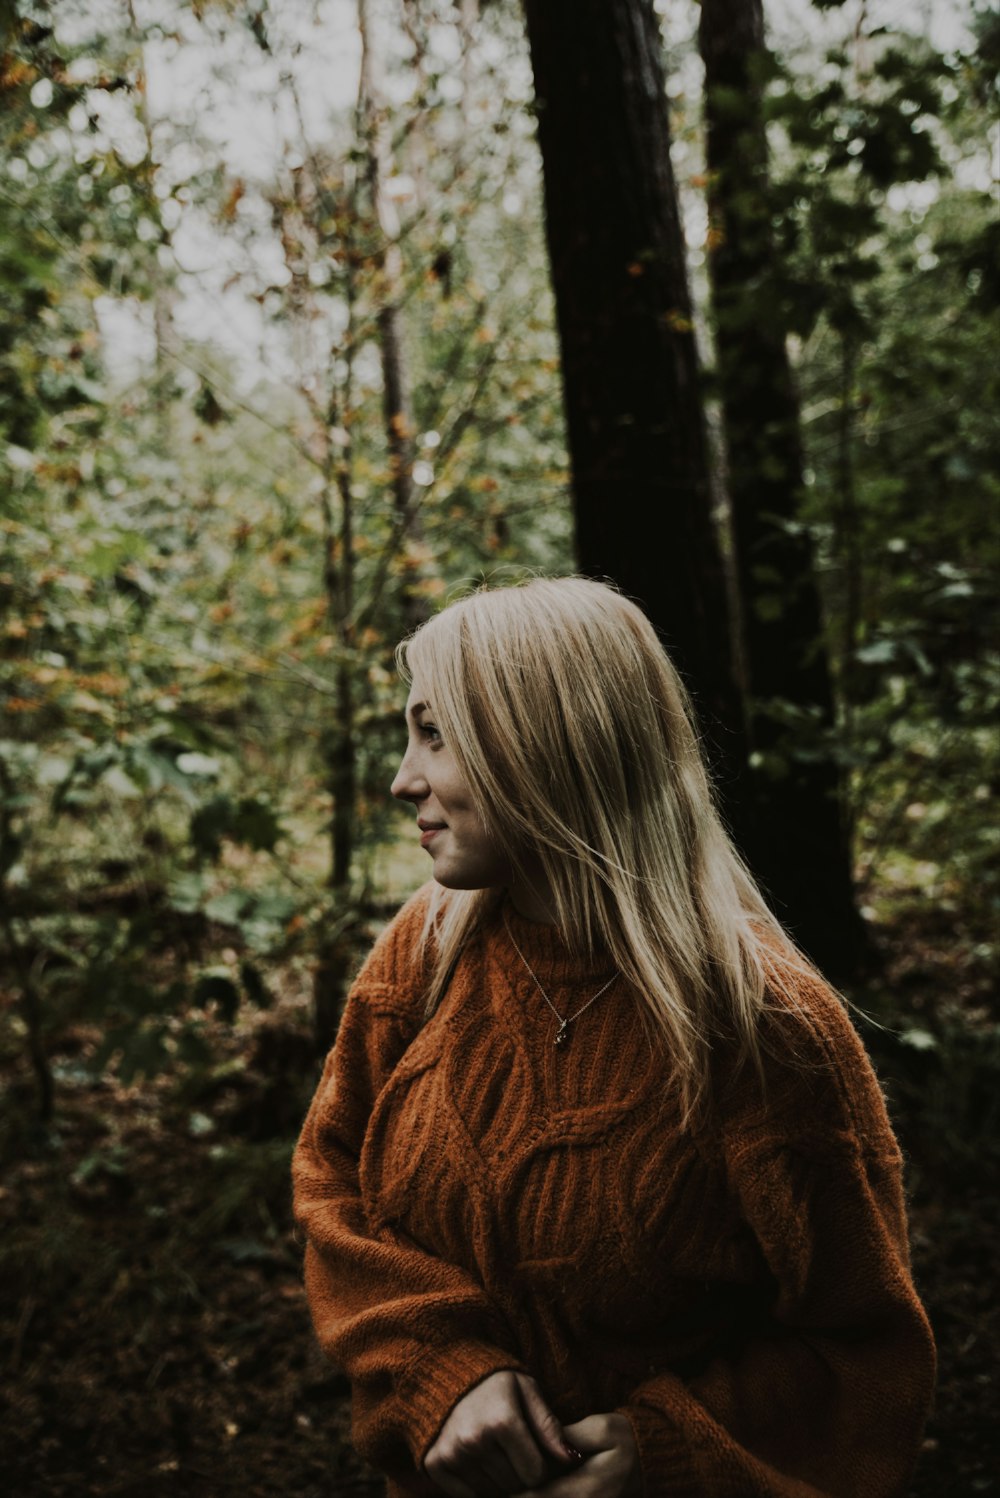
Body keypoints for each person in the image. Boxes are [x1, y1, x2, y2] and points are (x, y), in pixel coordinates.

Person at [292, 577, 935, 1498]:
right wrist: (442, 1371)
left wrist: (665, 1450)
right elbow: (331, 1180)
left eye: (434, 734)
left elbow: (864, 1355)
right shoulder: (426, 947)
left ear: (547, 743)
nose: (403, 779)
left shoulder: (767, 1031)